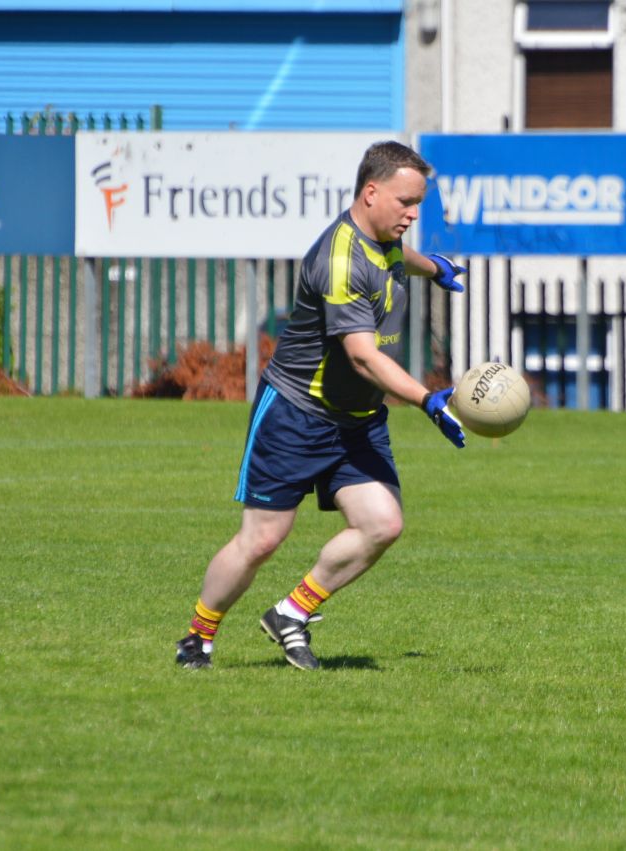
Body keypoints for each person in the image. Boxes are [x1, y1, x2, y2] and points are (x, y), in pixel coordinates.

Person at [174, 140, 469, 671]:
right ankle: (197, 636)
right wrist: (428, 400)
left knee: (383, 524)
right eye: (406, 202)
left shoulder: (385, 238)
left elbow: (399, 256)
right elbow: (362, 357)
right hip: (294, 416)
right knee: (262, 539)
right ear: (371, 192)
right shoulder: (339, 260)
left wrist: (436, 268)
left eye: (418, 203)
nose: (414, 213)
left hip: (357, 422)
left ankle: (291, 613)